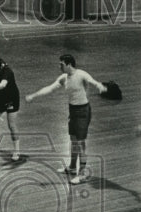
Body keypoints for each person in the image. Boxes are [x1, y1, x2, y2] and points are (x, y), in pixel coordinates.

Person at [24, 53, 107, 185]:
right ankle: (72, 168)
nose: (59, 66)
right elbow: (50, 88)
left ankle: (82, 174)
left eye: (61, 64)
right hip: (73, 111)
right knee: (73, 141)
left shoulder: (81, 74)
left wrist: (99, 86)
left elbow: (93, 81)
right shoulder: (64, 78)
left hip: (83, 111)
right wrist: (34, 95)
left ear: (69, 64)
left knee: (80, 144)